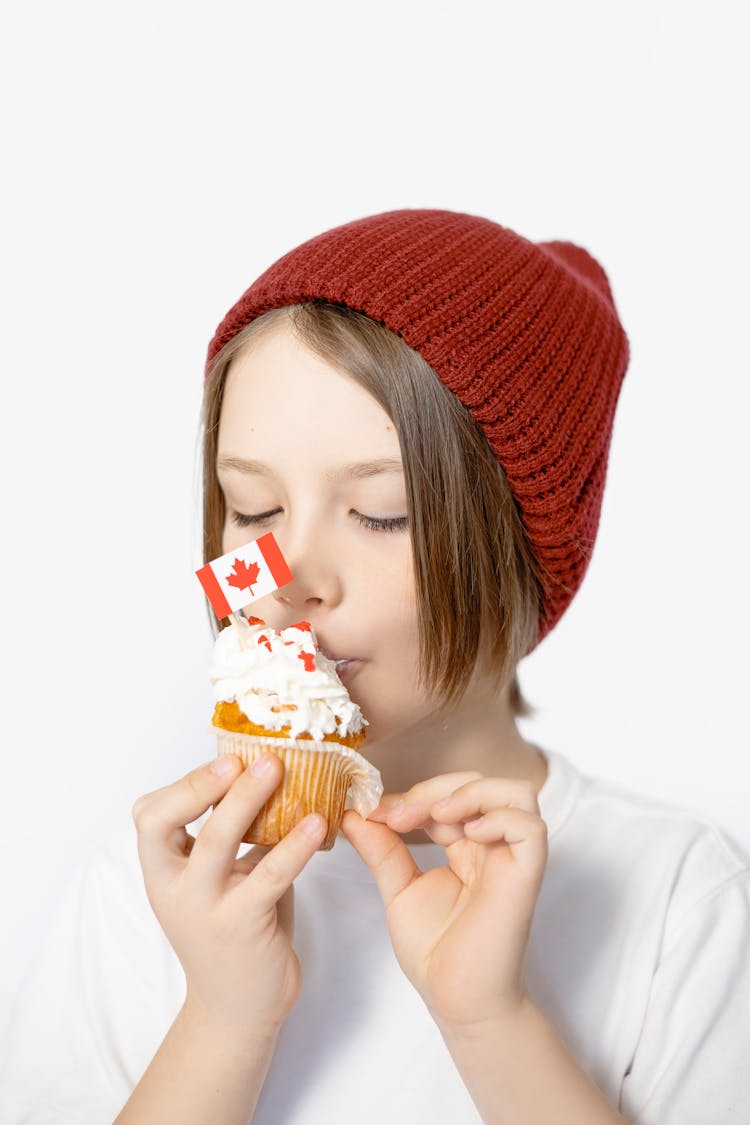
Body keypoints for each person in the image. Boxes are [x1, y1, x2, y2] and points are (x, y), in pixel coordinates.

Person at [2, 209, 748, 1124]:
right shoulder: (147, 893)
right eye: (251, 507)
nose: (292, 577)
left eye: (383, 512)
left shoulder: (678, 894)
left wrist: (492, 1020)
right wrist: (221, 1022)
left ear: (520, 550)